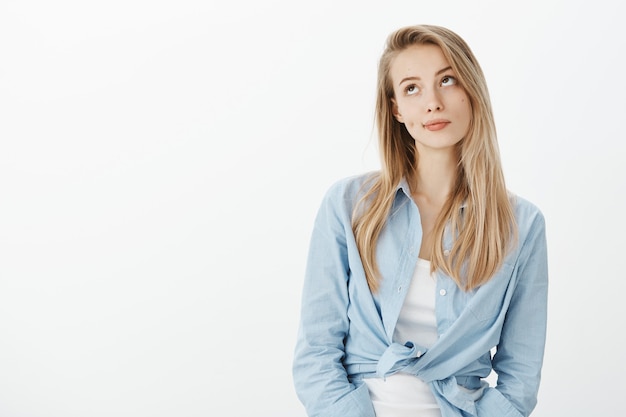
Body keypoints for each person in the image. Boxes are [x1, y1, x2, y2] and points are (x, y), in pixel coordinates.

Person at [292, 24, 548, 417]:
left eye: (447, 80)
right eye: (412, 88)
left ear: (471, 90)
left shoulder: (522, 225)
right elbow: (316, 354)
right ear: (395, 108)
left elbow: (519, 380)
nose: (433, 102)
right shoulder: (348, 205)